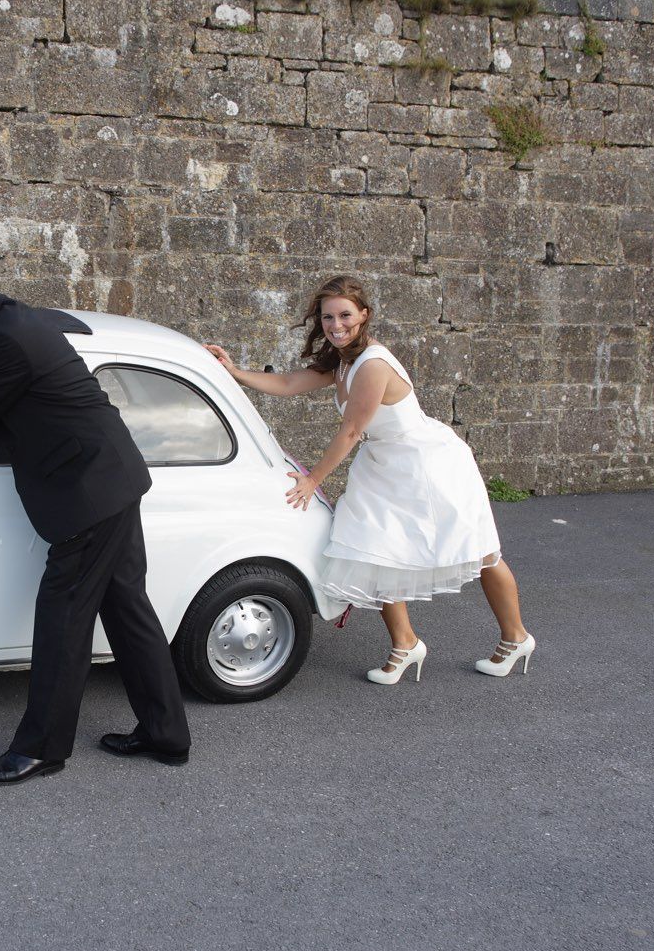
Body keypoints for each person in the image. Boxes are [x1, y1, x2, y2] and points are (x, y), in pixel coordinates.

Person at [0, 240, 192, 785]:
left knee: (62, 621)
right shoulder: (5, 326)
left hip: (86, 494)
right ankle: (166, 733)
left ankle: (41, 748)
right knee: (128, 609)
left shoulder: (8, 336)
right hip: (110, 478)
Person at [204, 275, 536, 684]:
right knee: (374, 551)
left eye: (345, 314)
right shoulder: (341, 360)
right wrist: (234, 372)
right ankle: (406, 645)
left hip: (428, 465)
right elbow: (290, 383)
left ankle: (515, 638)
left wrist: (311, 480)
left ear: (364, 315)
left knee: (479, 552)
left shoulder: (373, 364)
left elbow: (349, 430)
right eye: (328, 317)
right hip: (383, 463)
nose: (335, 324)